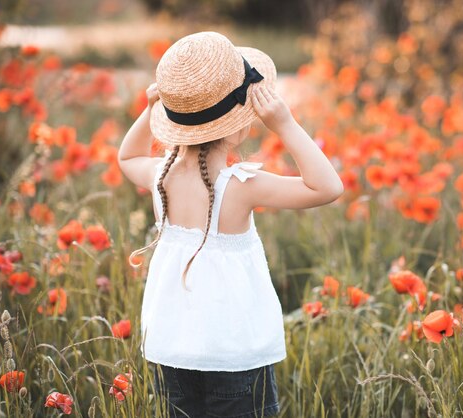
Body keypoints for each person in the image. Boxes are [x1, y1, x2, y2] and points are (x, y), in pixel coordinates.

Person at [117, 31, 344, 418]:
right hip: (234, 355)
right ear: (240, 126)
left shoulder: (161, 176)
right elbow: (328, 187)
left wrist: (151, 107)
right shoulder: (240, 187)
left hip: (172, 351)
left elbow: (126, 156)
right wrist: (285, 124)